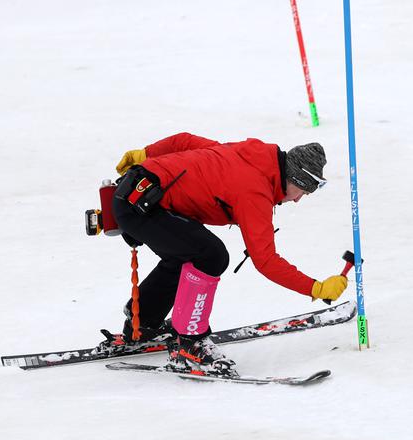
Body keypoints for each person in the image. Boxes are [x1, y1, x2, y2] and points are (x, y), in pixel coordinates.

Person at [110, 132, 347, 376]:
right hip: (140, 205)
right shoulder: (255, 191)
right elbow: (265, 260)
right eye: (301, 192)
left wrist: (146, 154)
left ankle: (143, 323)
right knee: (210, 255)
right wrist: (314, 288)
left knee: (189, 251)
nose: (297, 200)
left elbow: (184, 142)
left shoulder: (246, 155)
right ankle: (191, 343)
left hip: (135, 193)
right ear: (293, 177)